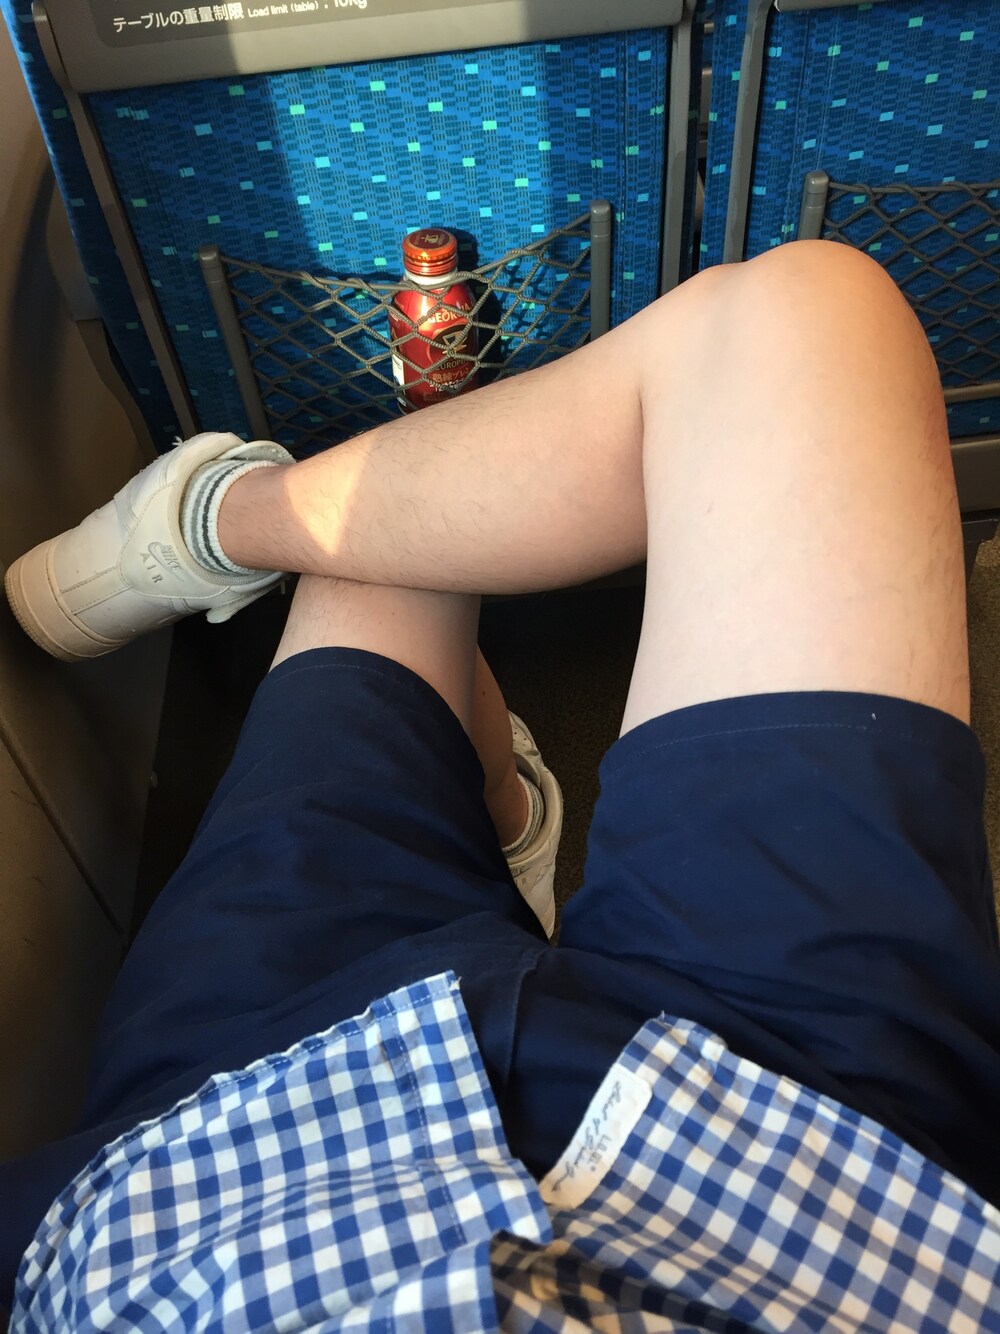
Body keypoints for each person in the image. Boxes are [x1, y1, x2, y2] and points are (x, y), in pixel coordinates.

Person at [2, 240, 999, 1329]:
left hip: (231, 1161)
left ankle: (212, 524)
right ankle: (491, 798)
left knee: (372, 562)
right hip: (810, 1158)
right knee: (802, 325)